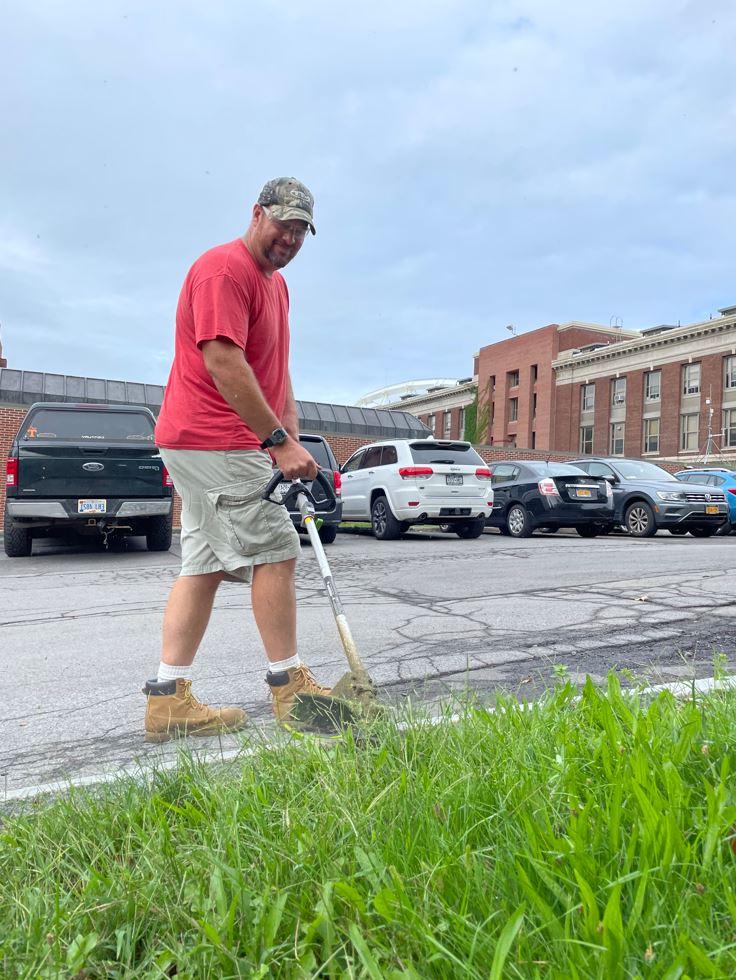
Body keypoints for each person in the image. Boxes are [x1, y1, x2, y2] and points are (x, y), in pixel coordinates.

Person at [143, 177, 335, 742]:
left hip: (223, 440)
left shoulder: (275, 286)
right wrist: (275, 441)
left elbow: (276, 365)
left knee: (201, 565)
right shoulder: (225, 270)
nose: (291, 238)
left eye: (302, 230)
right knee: (276, 549)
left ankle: (168, 698)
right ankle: (289, 687)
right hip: (215, 436)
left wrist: (289, 433)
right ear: (257, 214)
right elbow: (223, 359)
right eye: (284, 225)